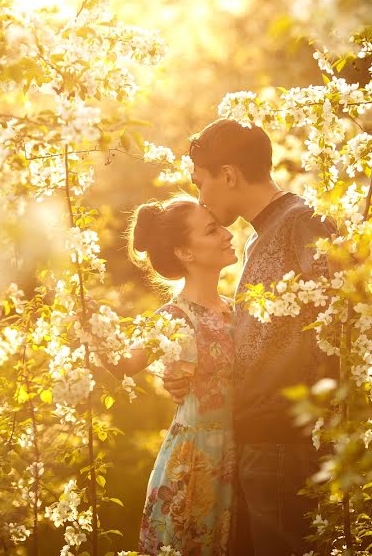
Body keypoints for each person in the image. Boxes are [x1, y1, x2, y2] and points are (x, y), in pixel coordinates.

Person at [164, 118, 338, 555]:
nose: (199, 196)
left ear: (228, 175)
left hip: (287, 443)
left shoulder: (302, 222)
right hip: (260, 444)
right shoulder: (262, 239)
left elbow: (342, 320)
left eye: (199, 182)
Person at [114, 195, 239, 555]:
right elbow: (127, 363)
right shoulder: (174, 317)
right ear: (186, 253)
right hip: (194, 465)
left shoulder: (237, 309)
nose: (227, 234)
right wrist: (89, 324)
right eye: (213, 230)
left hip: (237, 460)